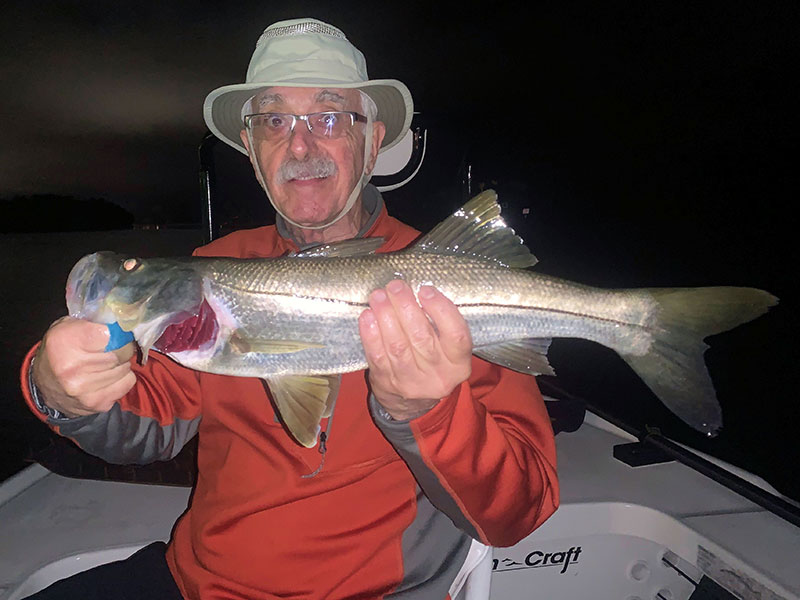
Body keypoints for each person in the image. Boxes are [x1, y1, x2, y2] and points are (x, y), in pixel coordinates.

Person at [21, 18, 559, 600]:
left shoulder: (453, 283)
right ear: (252, 151)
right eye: (274, 122)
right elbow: (145, 428)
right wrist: (58, 388)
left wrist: (429, 411)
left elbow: (520, 511)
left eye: (328, 117)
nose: (300, 146)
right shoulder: (213, 268)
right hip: (199, 582)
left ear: (372, 143)